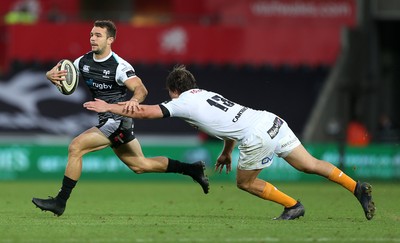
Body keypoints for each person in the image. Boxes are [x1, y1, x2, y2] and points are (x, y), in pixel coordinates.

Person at [84, 64, 376, 220]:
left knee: (246, 183)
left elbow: (146, 112)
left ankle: (293, 206)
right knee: (310, 164)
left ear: (173, 90)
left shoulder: (182, 101)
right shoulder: (206, 94)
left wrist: (109, 106)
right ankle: (355, 186)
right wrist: (226, 151)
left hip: (256, 135)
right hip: (271, 120)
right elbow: (227, 125)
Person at [32, 21, 209, 217]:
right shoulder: (82, 62)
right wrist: (49, 75)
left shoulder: (120, 66)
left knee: (76, 147)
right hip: (107, 120)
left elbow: (141, 89)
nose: (92, 38)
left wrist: (134, 100)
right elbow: (63, 76)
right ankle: (193, 169)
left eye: (98, 35)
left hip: (116, 120)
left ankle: (60, 202)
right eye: (91, 34)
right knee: (140, 165)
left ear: (110, 40)